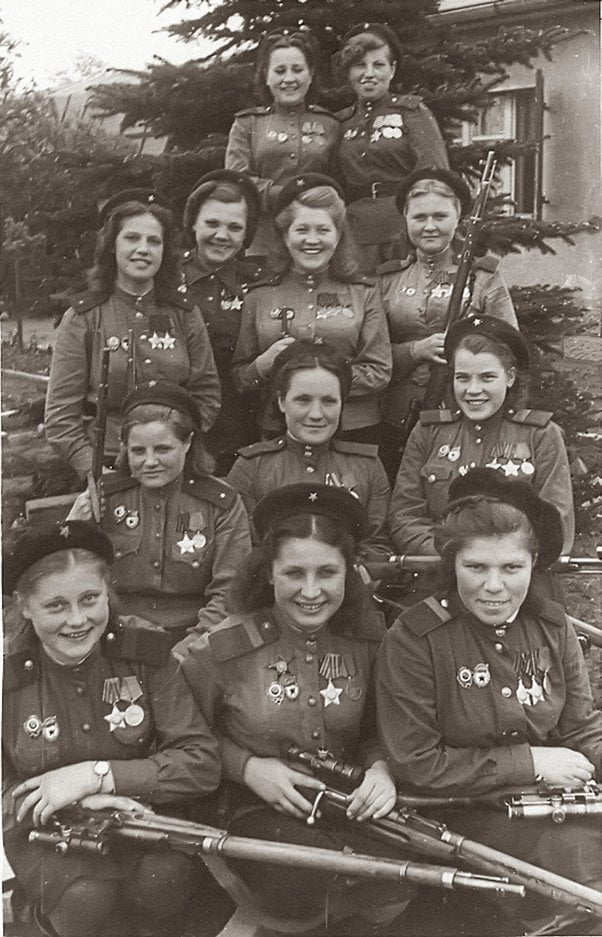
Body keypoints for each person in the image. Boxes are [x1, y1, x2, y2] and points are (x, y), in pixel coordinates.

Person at [175, 484, 415, 930]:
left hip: (344, 804)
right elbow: (184, 738)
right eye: (293, 574)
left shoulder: (368, 641)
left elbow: (378, 729)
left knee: (395, 875)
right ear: (268, 573)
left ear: (350, 573)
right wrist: (248, 768)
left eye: (327, 573)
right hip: (249, 808)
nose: (311, 591)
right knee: (308, 878)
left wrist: (380, 769)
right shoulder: (221, 650)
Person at [377, 468, 602, 934]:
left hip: (550, 805)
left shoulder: (552, 625)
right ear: (450, 562)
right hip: (459, 814)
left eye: (512, 568)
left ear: (533, 564)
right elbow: (416, 763)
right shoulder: (416, 639)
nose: (495, 586)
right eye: (476, 568)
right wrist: (530, 763)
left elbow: (581, 727)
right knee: (578, 856)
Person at [2, 519, 221, 937]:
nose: (77, 620)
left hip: (140, 818)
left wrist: (98, 778)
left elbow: (201, 761)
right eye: (56, 606)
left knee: (165, 877)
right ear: (24, 606)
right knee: (85, 897)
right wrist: (80, 802)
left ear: (109, 593)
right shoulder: (7, 677)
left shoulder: (145, 653)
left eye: (90, 599)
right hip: (47, 832)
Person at [45, 190, 220, 478]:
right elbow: (60, 419)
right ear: (112, 245)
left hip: (177, 465)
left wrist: (177, 449)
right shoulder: (83, 317)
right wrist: (94, 470)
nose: (144, 249)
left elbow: (206, 394)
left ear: (165, 250)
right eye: (132, 238)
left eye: (154, 241)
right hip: (108, 464)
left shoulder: (185, 313)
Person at [67, 381, 251, 644]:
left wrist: (190, 648)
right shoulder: (105, 497)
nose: (150, 462)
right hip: (115, 634)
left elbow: (229, 591)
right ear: (125, 449)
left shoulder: (220, 504)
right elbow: (75, 580)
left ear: (187, 443)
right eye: (138, 451)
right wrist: (76, 524)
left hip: (197, 638)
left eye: (163, 449)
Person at [389, 315, 574, 559]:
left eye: (487, 377)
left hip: (516, 573)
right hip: (439, 567)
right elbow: (405, 514)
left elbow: (555, 520)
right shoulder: (428, 432)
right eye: (462, 378)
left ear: (509, 377)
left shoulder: (540, 435)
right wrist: (448, 554)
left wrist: (493, 559)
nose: (473, 390)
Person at [378, 168, 519, 481]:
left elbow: (511, 350)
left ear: (459, 218)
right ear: (405, 218)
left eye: (440, 216)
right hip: (397, 415)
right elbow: (370, 354)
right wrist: (415, 350)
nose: (430, 227)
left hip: (466, 410)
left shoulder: (483, 277)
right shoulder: (386, 280)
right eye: (419, 217)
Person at [232, 173, 392, 445]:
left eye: (323, 230)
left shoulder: (363, 293)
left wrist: (322, 380)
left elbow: (379, 371)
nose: (312, 240)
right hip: (279, 430)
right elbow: (240, 378)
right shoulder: (258, 296)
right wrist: (261, 365)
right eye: (302, 230)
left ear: (338, 236)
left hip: (354, 431)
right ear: (285, 235)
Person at [228, 338, 393, 561]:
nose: (316, 414)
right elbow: (242, 552)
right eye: (303, 400)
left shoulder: (368, 466)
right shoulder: (251, 468)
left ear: (342, 403)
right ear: (281, 402)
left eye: (329, 401)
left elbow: (377, 547)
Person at [336, 22, 449, 273]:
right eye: (359, 66)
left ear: (393, 69)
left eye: (378, 65)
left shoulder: (413, 113)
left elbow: (434, 173)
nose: (369, 74)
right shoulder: (341, 123)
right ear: (348, 72)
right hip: (355, 232)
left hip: (402, 228)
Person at [225, 28, 340, 255]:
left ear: (311, 74)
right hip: (263, 238)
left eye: (297, 70)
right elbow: (238, 181)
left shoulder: (330, 125)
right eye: (280, 71)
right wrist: (285, 194)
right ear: (267, 76)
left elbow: (339, 183)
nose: (289, 79)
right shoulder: (248, 124)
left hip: (316, 236)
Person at [181, 169, 265, 474]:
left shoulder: (260, 284)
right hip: (182, 425)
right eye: (212, 223)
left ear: (246, 233)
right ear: (193, 223)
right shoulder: (164, 279)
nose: (221, 235)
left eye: (234, 227)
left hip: (244, 425)